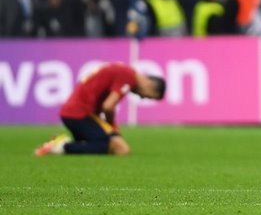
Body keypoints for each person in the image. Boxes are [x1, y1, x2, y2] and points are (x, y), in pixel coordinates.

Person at [34, 63, 165, 156]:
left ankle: (61, 144)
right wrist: (112, 127)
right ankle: (62, 146)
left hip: (75, 112)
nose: (142, 98)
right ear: (150, 85)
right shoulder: (128, 76)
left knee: (109, 146)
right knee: (120, 149)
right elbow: (108, 106)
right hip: (80, 113)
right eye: (148, 96)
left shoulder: (123, 71)